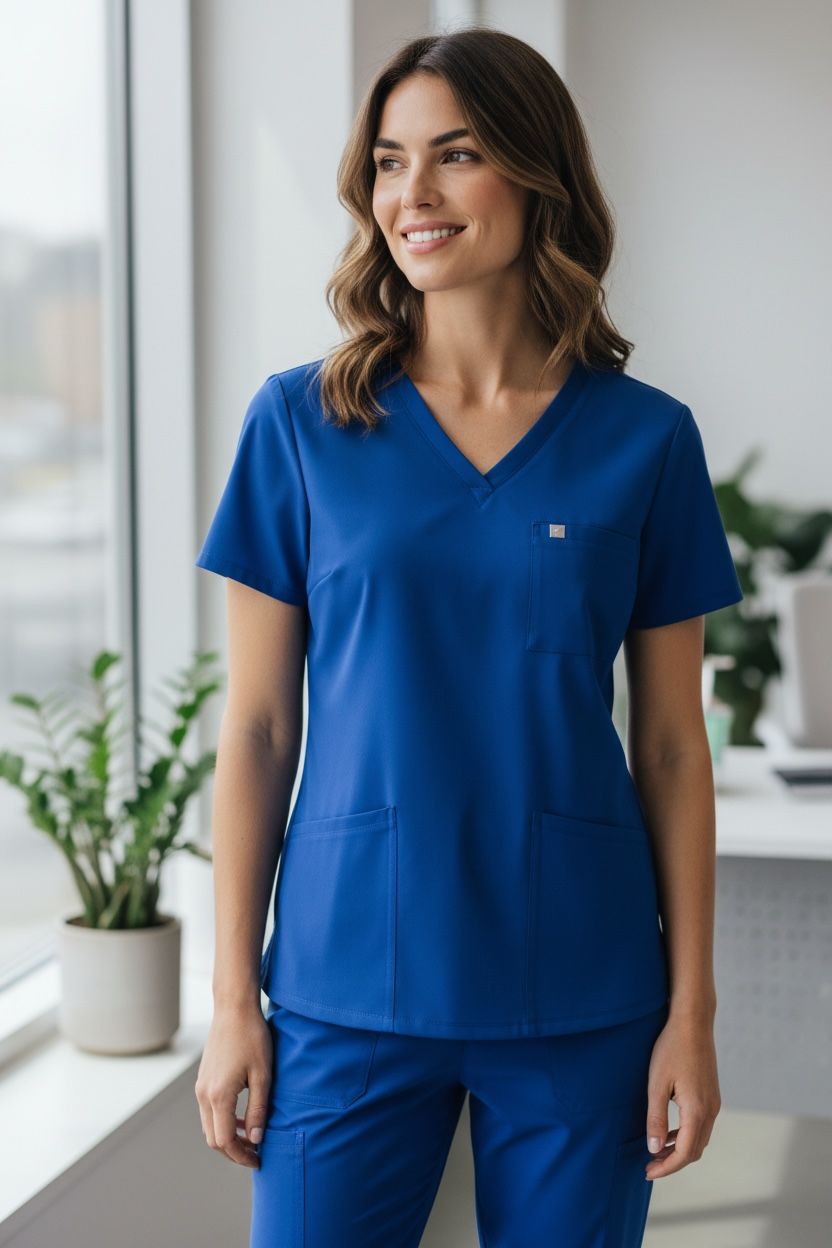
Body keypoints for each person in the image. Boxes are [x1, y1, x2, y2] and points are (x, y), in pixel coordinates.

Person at [193, 26, 743, 1248]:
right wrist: (233, 998)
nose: (412, 196)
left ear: (535, 176)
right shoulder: (299, 424)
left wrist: (690, 1013)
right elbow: (259, 726)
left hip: (581, 988)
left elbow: (668, 747)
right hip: (342, 985)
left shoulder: (646, 441)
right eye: (389, 163)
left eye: (455, 155)